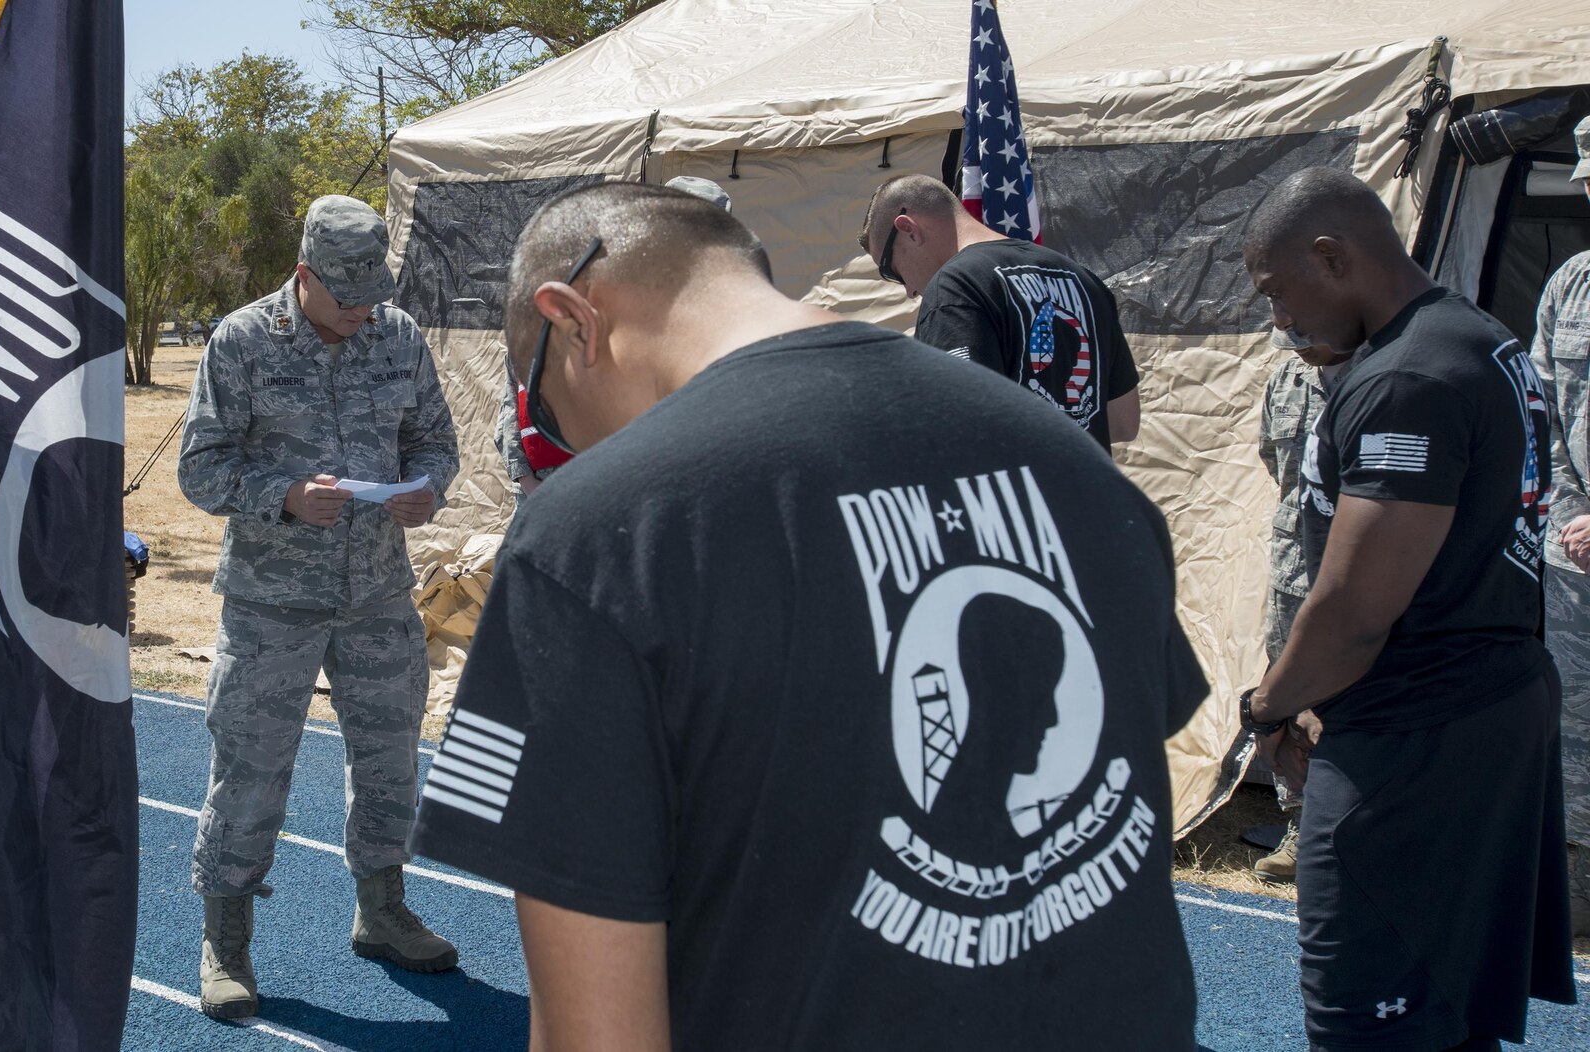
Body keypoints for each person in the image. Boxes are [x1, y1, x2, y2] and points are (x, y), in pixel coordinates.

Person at [413, 182, 1207, 1050]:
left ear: (575, 321)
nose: (571, 448)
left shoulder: (598, 536)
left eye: (551, 410)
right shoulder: (1069, 459)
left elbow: (594, 1033)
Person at [1241, 167, 1575, 1050]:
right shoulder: (1474, 337)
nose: (1279, 319)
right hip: (1474, 706)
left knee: (1366, 1017)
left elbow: (1357, 607)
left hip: (1421, 727)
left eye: (1279, 291)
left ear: (1332, 257)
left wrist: (1268, 710)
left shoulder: (1410, 376)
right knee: (1444, 1014)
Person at [177, 194, 462, 1020]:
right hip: (272, 603)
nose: (362, 311)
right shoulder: (240, 340)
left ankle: (383, 909)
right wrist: (285, 496)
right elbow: (201, 470)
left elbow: (436, 442)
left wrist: (428, 489)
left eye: (373, 294)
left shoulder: (398, 336)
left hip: (377, 594)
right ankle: (225, 939)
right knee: (251, 769)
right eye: (347, 298)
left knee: (389, 759)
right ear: (304, 276)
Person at [493, 176, 734, 507]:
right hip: (552, 490)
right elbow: (511, 403)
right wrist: (526, 480)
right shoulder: (594, 310)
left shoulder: (729, 313)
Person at [858, 174, 1140, 451]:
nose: (909, 290)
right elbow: (1122, 423)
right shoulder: (1083, 279)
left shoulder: (954, 287)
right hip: (1087, 492)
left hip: (1013, 494)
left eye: (891, 270)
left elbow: (960, 426)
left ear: (909, 229)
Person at [1250, 327, 1356, 884]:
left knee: (1352, 698)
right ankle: (1299, 823)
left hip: (1360, 570)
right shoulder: (1288, 376)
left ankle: (1352, 830)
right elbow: (1275, 457)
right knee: (1291, 689)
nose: (1300, 350)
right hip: (1294, 563)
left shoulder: (1383, 375)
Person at [1528, 112, 1590, 938]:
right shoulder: (1571, 282)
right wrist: (1575, 512)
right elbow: (1545, 415)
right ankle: (1572, 899)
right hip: (1574, 555)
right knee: (1567, 726)